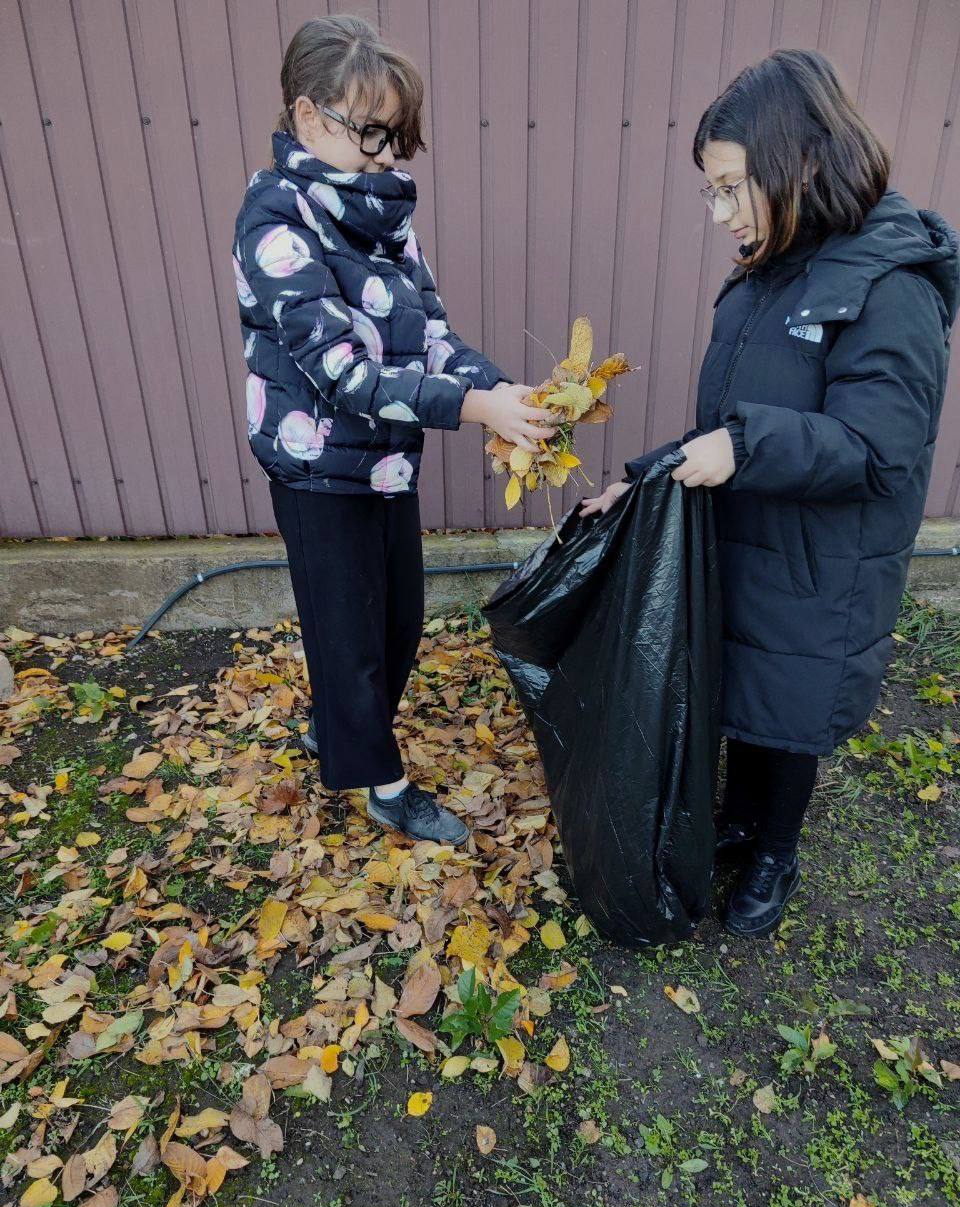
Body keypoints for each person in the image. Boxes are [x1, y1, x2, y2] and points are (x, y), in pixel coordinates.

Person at [582, 49, 958, 937]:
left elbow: (879, 448)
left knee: (787, 711)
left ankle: (776, 849)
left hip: (822, 567)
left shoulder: (889, 286)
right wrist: (637, 484)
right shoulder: (767, 272)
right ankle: (741, 820)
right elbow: (727, 417)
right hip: (748, 539)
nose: (719, 215)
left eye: (730, 188)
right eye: (710, 192)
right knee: (746, 688)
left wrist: (744, 446)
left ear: (803, 161)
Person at [233, 15, 555, 845]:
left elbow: (433, 337)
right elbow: (340, 374)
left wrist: (503, 389)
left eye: (395, 136)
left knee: (397, 622)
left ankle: (336, 729)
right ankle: (383, 786)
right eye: (368, 131)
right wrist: (476, 411)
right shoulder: (274, 225)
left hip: (382, 462)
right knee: (350, 638)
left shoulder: (381, 219)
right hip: (315, 467)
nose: (384, 153)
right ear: (308, 117)